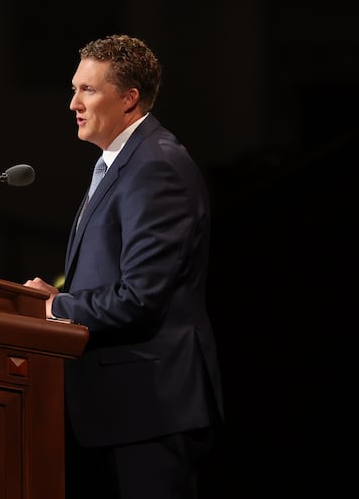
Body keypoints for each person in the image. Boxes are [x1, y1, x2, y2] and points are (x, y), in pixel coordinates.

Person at [24, 34, 223, 499]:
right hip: (120, 406)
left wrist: (56, 308)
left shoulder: (156, 166)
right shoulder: (122, 162)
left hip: (151, 406)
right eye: (74, 89)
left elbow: (140, 296)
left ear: (129, 98)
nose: (73, 103)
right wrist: (61, 301)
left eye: (88, 90)